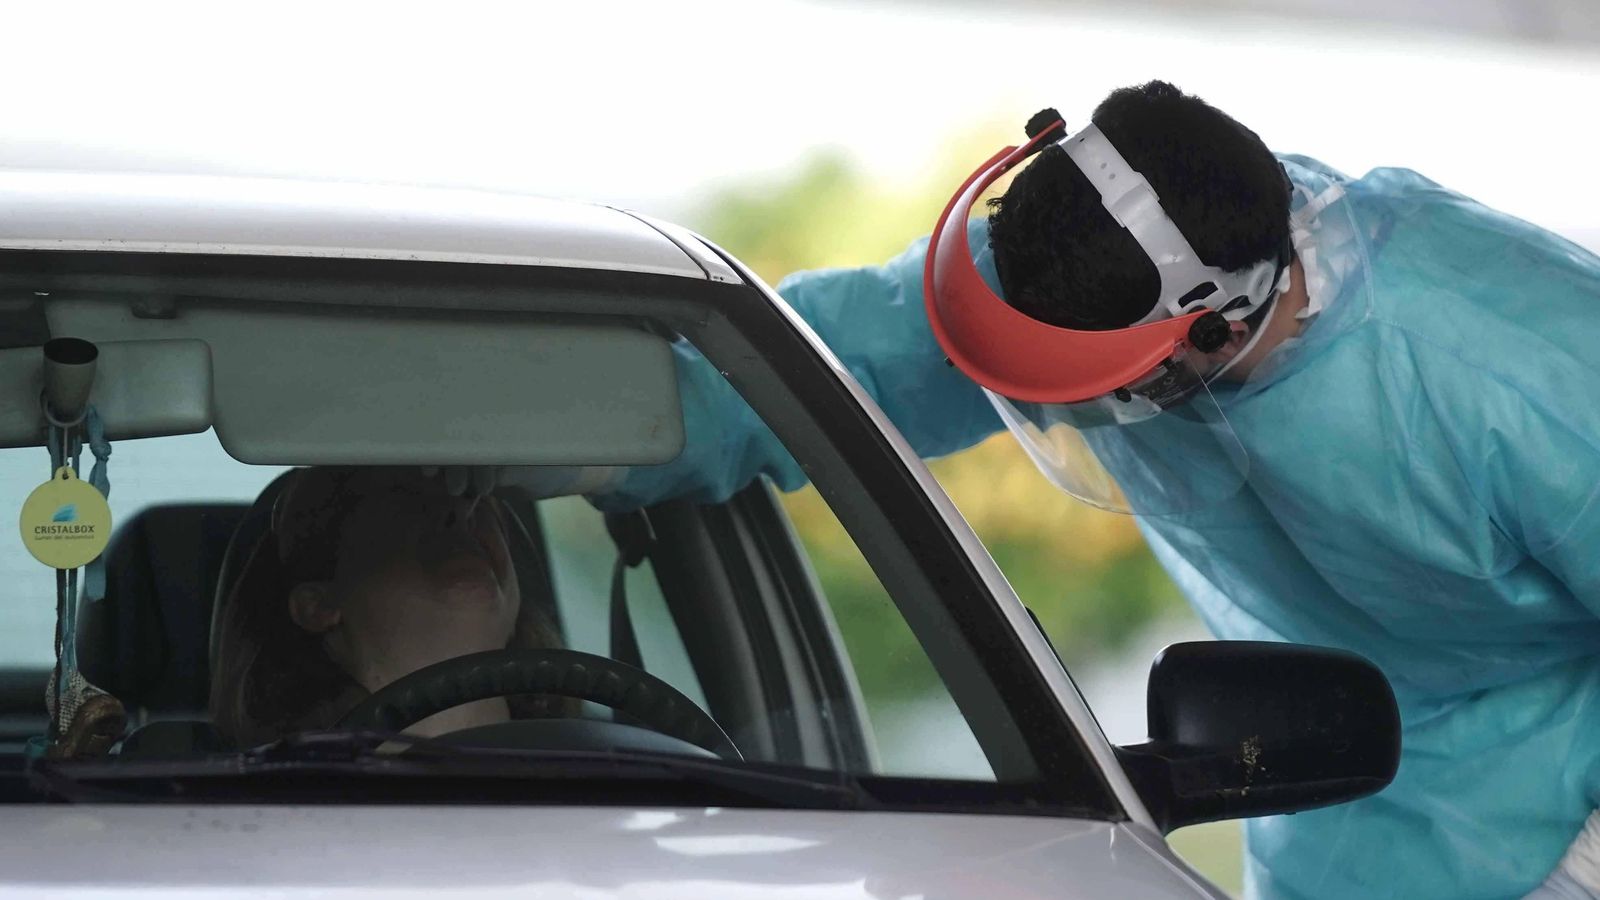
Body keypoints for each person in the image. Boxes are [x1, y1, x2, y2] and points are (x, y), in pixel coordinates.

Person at [578, 81, 1600, 900]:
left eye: (1116, 389)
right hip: (1331, 804)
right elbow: (832, 367)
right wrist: (587, 430)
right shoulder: (1066, 272)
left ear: (1217, 325)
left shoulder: (1526, 369)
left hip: (1558, 806)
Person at [209, 466, 571, 748]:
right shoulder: (276, 806)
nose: (461, 505)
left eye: (476, 494)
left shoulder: (604, 764)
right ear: (318, 604)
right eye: (404, 495)